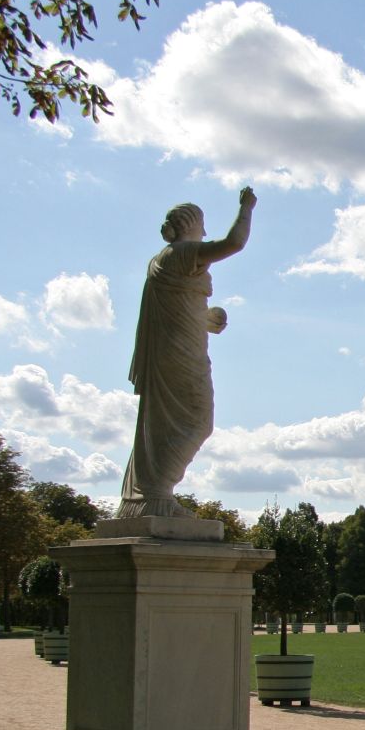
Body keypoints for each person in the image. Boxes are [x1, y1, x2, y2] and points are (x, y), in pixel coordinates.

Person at [116, 187, 257, 519]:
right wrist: (247, 207)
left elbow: (173, 310)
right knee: (197, 420)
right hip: (181, 356)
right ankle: (157, 494)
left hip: (169, 351)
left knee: (165, 422)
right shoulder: (181, 254)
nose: (204, 233)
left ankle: (151, 494)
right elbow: (233, 243)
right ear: (191, 225)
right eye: (202, 225)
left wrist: (204, 320)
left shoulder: (160, 262)